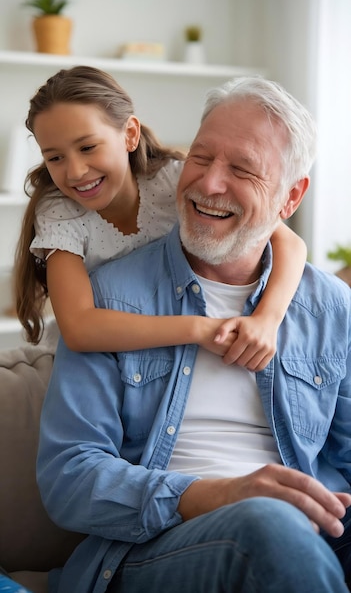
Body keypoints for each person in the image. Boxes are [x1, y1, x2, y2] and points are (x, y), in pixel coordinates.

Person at [36, 75, 351, 593]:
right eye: (201, 158)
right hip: (155, 548)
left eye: (243, 169)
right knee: (268, 527)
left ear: (290, 198)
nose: (207, 184)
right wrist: (214, 494)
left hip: (310, 527)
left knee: (286, 527)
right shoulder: (108, 296)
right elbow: (69, 478)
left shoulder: (326, 306)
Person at [13, 66, 307, 371]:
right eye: (55, 158)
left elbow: (290, 243)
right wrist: (198, 329)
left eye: (88, 147)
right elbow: (79, 328)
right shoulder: (60, 211)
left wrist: (267, 319)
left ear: (129, 135)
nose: (75, 171)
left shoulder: (172, 180)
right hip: (96, 361)